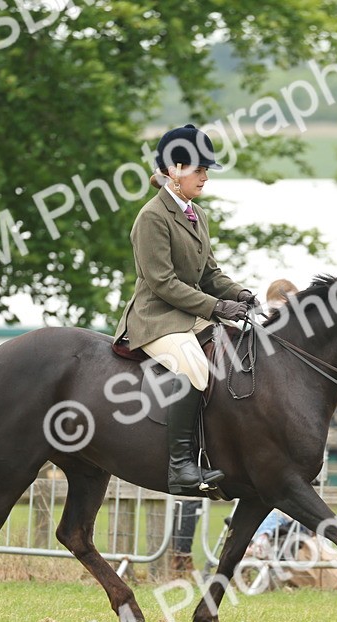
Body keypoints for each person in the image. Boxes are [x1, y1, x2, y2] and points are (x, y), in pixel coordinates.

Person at [113, 123, 257, 495]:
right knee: (195, 365)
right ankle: (180, 467)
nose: (205, 177)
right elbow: (162, 283)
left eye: (206, 170)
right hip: (155, 318)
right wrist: (216, 307)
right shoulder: (152, 217)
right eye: (200, 169)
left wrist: (240, 294)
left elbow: (209, 273)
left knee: (233, 356)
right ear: (174, 170)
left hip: (188, 315)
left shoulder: (196, 214)